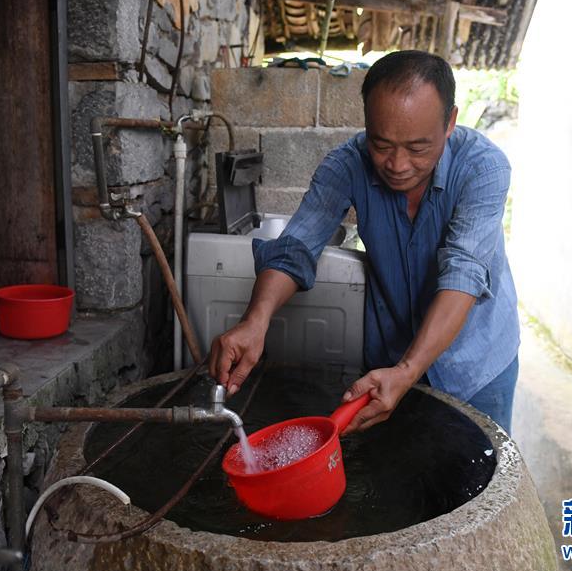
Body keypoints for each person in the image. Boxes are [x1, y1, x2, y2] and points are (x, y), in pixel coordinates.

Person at [208, 51, 520, 435]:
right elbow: (297, 245)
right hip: (387, 358)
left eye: (418, 148)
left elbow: (464, 271)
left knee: (480, 479)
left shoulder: (484, 169)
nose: (398, 164)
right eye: (381, 144)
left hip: (477, 365)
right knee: (401, 473)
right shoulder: (346, 164)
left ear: (450, 122)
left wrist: (408, 371)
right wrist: (255, 321)